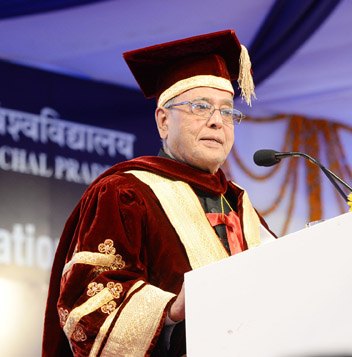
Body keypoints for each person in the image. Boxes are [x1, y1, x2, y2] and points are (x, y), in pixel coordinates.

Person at [42, 29, 275, 357]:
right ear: (163, 122)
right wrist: (168, 310)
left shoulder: (238, 202)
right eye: (200, 107)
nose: (216, 122)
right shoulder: (126, 193)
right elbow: (86, 304)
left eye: (226, 111)